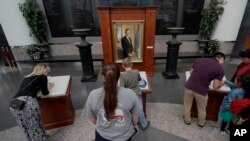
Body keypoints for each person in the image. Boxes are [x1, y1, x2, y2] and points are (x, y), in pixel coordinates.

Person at [84, 63, 141, 141]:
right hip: (125, 136)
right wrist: (135, 125)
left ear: (102, 76)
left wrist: (104, 125)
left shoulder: (93, 94)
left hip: (102, 136)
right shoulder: (130, 93)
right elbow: (135, 117)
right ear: (119, 76)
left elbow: (92, 118)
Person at [9, 63, 54, 141]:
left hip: (15, 104)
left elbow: (28, 90)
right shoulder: (42, 77)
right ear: (43, 71)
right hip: (28, 104)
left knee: (24, 126)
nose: (47, 74)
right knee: (35, 124)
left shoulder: (26, 78)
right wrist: (50, 86)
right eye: (47, 72)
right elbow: (45, 92)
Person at [183, 52, 226, 127]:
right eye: (223, 61)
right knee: (202, 108)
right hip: (201, 91)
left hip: (189, 87)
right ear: (221, 58)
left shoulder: (199, 60)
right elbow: (215, 87)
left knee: (187, 105)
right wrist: (222, 83)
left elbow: (191, 72)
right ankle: (201, 123)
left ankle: (187, 120)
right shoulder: (220, 69)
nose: (223, 63)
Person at [120, 57, 151, 131]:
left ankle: (130, 124)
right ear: (132, 64)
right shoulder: (136, 71)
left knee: (128, 109)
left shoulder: (122, 75)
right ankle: (144, 124)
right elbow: (140, 80)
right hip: (137, 94)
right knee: (139, 109)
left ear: (122, 66)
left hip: (128, 95)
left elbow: (122, 88)